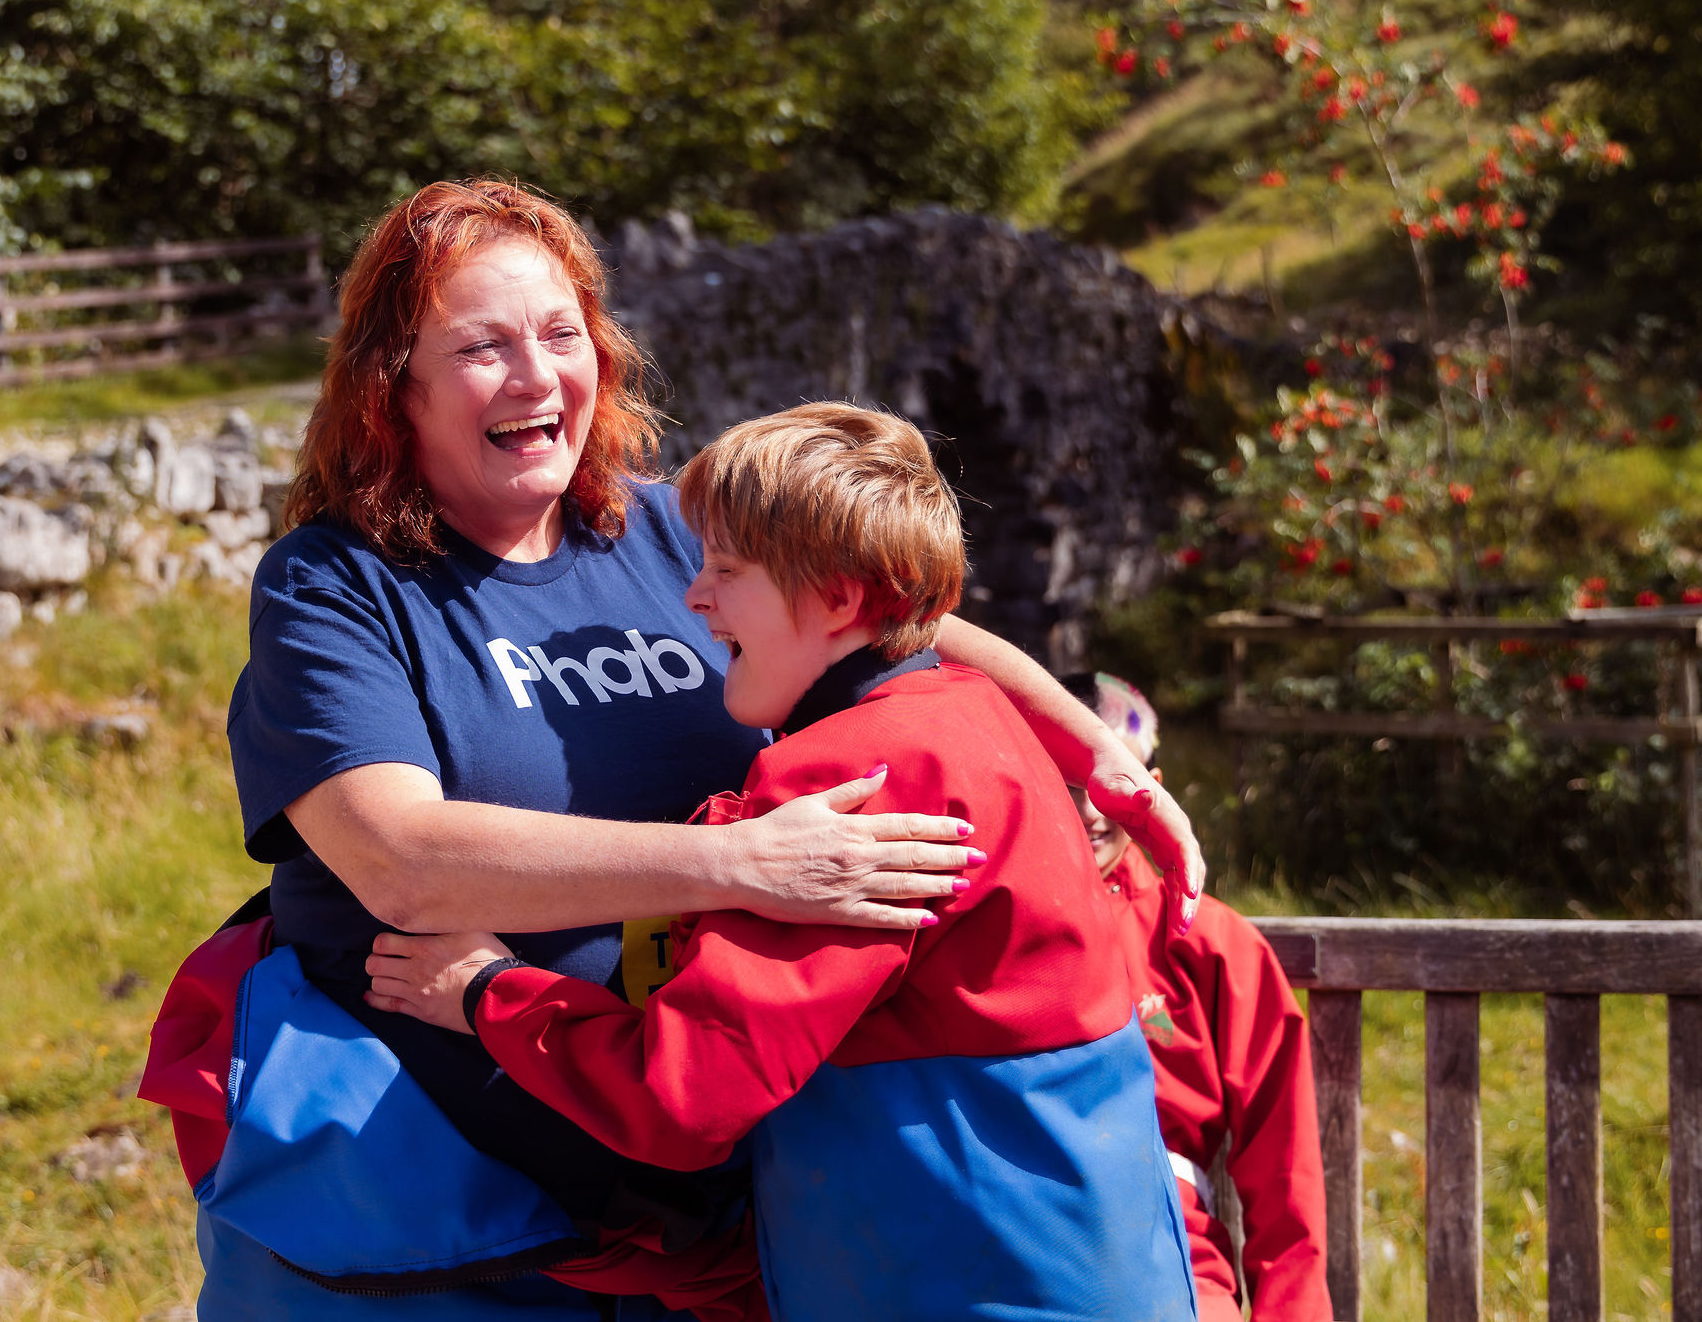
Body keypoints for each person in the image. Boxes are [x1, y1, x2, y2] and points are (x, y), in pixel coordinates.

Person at [140, 180, 1207, 1321]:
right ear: (388, 382)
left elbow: (892, 612)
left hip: (703, 1212)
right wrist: (737, 864)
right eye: (481, 347)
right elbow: (398, 861)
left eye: (560, 334)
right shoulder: (335, 586)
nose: (536, 375)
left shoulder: (664, 527)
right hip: (427, 1223)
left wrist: (1103, 759)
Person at [365, 404, 1199, 1322]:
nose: (695, 597)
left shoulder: (857, 778)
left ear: (840, 599)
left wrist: (489, 991)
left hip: (960, 1286)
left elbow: (681, 1095)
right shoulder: (975, 719)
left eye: (726, 568)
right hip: (1101, 1267)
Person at [1063, 673, 1333, 1322]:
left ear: (1154, 786)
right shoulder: (985, 932)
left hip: (1172, 1265)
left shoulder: (1210, 942)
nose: (1092, 807)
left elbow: (1284, 1177)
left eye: (1117, 778)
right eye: (1068, 775)